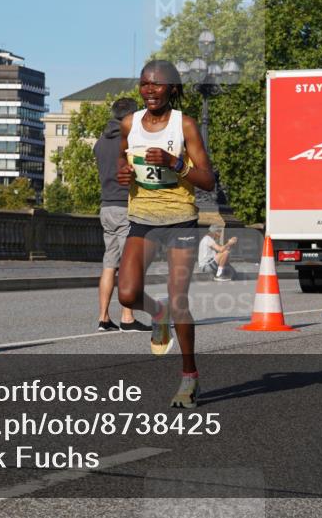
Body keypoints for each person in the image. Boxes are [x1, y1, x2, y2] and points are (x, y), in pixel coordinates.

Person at [116, 60, 215, 409]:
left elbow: (207, 180)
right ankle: (157, 315)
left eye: (157, 85)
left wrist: (177, 164)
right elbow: (122, 163)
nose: (150, 90)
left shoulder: (184, 124)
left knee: (179, 300)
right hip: (142, 218)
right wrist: (124, 175)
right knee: (126, 294)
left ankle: (189, 376)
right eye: (145, 84)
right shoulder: (130, 123)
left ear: (172, 88)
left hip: (180, 221)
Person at [92, 97, 149, 332]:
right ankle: (127, 317)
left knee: (109, 263)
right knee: (128, 265)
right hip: (127, 207)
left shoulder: (99, 143)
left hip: (106, 207)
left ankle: (103, 318)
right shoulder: (130, 142)